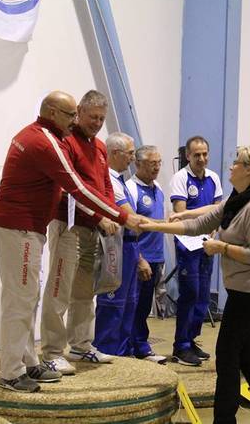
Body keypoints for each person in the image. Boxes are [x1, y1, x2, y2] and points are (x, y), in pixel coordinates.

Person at [0, 91, 141, 393]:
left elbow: (94, 185)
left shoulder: (54, 138)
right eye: (72, 114)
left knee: (29, 296)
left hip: (29, 228)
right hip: (22, 227)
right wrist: (121, 216)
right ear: (52, 112)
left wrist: (114, 214)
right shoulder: (45, 141)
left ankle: (28, 361)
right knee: (22, 299)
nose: (76, 121)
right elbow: (75, 186)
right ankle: (11, 372)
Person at [141, 146, 250, 424]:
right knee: (245, 354)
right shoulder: (238, 200)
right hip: (243, 287)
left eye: (236, 163)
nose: (230, 166)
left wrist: (222, 247)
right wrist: (153, 226)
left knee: (227, 354)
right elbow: (198, 225)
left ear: (249, 170)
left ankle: (225, 418)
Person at [39, 91, 118, 376]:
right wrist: (100, 215)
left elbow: (105, 186)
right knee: (59, 290)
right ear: (79, 113)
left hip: (92, 230)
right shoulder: (66, 143)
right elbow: (70, 189)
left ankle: (81, 345)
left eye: (101, 119)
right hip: (68, 226)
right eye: (92, 117)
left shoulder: (98, 146)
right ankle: (50, 352)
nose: (97, 123)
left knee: (85, 291)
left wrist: (108, 213)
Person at [93, 132, 152, 356]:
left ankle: (123, 354)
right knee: (113, 305)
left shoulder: (118, 180)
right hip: (116, 247)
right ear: (115, 153)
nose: (132, 158)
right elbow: (130, 218)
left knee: (129, 305)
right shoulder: (110, 181)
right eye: (129, 153)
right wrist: (162, 225)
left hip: (130, 247)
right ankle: (108, 352)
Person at [169, 136, 223, 366]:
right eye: (196, 155)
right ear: (188, 156)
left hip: (207, 243)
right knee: (189, 293)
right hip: (187, 244)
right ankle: (180, 346)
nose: (201, 159)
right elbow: (181, 211)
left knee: (203, 295)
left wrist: (212, 230)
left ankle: (191, 340)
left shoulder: (214, 178)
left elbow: (219, 210)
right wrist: (206, 220)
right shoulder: (180, 178)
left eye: (204, 154)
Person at [126, 145, 168, 364]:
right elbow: (130, 228)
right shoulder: (130, 189)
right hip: (139, 259)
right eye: (152, 163)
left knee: (144, 307)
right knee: (133, 305)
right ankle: (133, 347)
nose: (157, 168)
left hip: (157, 257)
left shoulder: (158, 187)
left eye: (159, 163)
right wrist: (139, 258)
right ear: (138, 163)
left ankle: (141, 346)